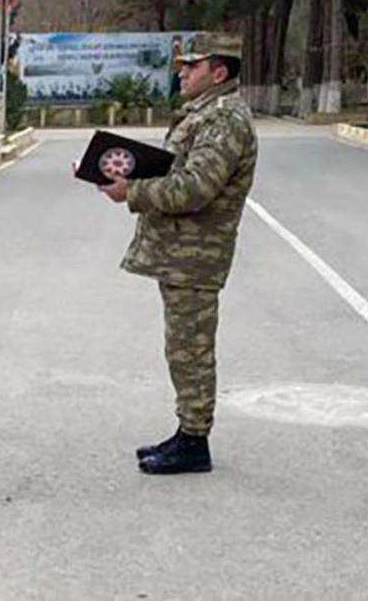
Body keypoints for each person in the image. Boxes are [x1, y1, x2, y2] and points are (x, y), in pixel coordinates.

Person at [99, 33, 257, 475]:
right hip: (181, 252)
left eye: (192, 66)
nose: (182, 73)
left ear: (219, 72)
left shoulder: (224, 120)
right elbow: (176, 169)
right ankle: (187, 431)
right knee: (182, 347)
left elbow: (195, 187)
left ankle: (194, 441)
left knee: (191, 349)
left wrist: (132, 191)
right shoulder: (204, 114)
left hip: (196, 255)